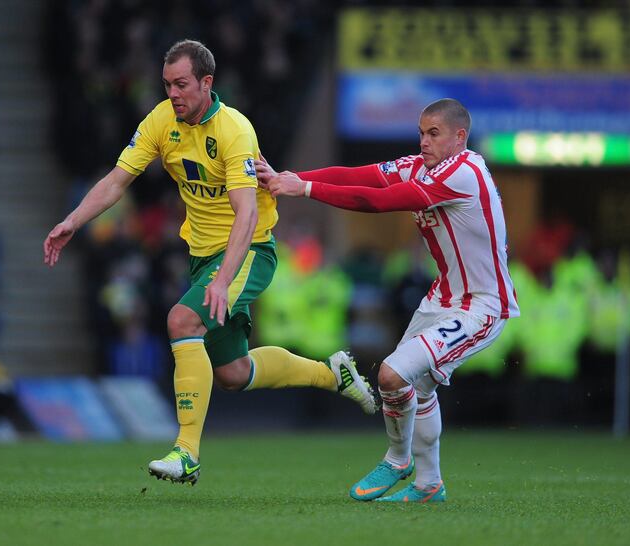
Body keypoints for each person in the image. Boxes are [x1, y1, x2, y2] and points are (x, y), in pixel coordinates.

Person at [43, 40, 376, 485]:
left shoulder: (236, 131)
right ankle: (330, 373)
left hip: (249, 252)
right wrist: (73, 220)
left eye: (181, 84)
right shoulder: (161, 121)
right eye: (166, 85)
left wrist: (222, 281)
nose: (173, 94)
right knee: (234, 374)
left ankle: (186, 452)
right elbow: (117, 181)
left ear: (207, 83)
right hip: (203, 258)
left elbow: (249, 213)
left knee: (182, 321)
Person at [256, 98, 519, 502]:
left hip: (481, 305)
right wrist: (289, 177)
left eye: (434, 133)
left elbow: (379, 201)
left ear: (459, 136)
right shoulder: (421, 165)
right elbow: (359, 176)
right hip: (442, 297)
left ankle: (399, 460)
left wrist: (304, 189)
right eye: (421, 132)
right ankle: (429, 485)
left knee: (392, 376)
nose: (424, 141)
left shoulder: (465, 172)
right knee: (419, 388)